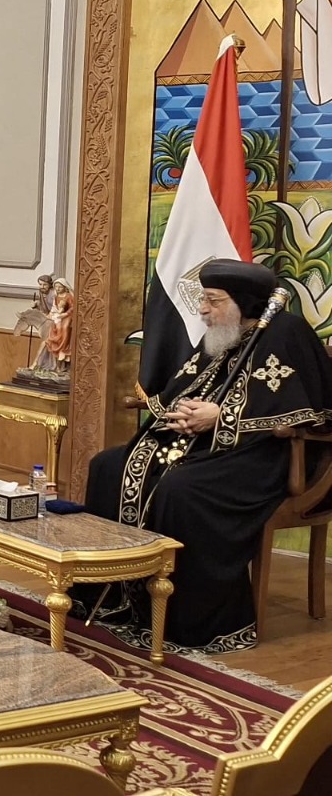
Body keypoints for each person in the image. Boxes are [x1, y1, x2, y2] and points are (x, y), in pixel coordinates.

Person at [79, 259, 332, 652]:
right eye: (204, 299)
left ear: (243, 301)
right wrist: (183, 414)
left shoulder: (286, 333)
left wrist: (222, 417)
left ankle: (186, 619)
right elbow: (189, 385)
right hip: (209, 447)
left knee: (181, 489)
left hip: (269, 456)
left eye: (213, 301)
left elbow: (307, 412)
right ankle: (114, 595)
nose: (202, 310)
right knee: (108, 466)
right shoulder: (224, 333)